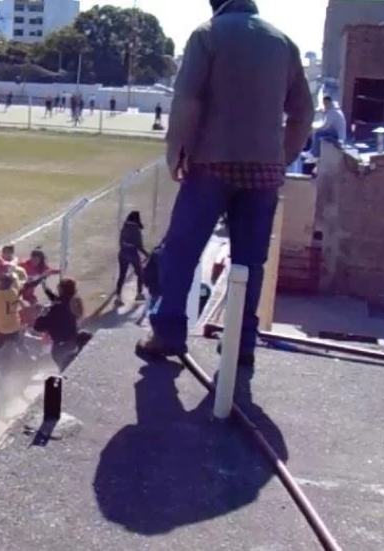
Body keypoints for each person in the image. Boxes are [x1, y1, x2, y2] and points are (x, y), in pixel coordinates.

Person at [137, 0, 313, 369]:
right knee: (249, 263)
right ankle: (241, 345)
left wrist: (177, 155)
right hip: (263, 170)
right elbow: (303, 113)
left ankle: (167, 332)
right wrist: (282, 157)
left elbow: (188, 101)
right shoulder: (283, 42)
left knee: (181, 252)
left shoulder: (207, 35)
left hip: (210, 165)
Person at [34, 277, 93, 370]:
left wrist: (43, 314)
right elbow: (59, 300)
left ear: (61, 289)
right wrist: (46, 289)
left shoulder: (55, 309)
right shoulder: (74, 302)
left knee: (65, 369)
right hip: (74, 341)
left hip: (61, 348)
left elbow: (38, 327)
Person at [117, 210, 149, 306]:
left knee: (122, 275)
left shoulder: (124, 228)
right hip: (133, 254)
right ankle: (139, 294)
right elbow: (139, 246)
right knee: (140, 273)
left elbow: (120, 243)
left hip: (122, 253)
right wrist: (147, 255)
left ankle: (118, 297)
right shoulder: (136, 230)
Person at [307, 95, 346, 161]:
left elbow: (324, 126)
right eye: (324, 104)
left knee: (317, 134)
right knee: (317, 132)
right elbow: (325, 122)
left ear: (330, 102)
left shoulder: (332, 112)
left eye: (326, 104)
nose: (325, 105)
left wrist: (313, 127)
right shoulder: (334, 109)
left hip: (338, 137)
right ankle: (312, 151)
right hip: (336, 132)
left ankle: (315, 155)